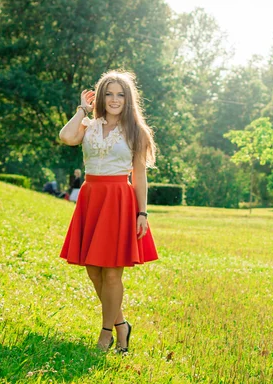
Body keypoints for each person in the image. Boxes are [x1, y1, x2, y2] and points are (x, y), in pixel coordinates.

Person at [58, 70, 158, 353]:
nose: (115, 99)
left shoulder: (136, 132)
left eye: (121, 94)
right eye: (109, 94)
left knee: (113, 273)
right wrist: (82, 109)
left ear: (128, 99)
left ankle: (106, 335)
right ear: (101, 97)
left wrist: (142, 213)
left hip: (118, 201)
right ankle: (121, 324)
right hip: (91, 198)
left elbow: (139, 176)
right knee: (93, 271)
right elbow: (66, 137)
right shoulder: (88, 125)